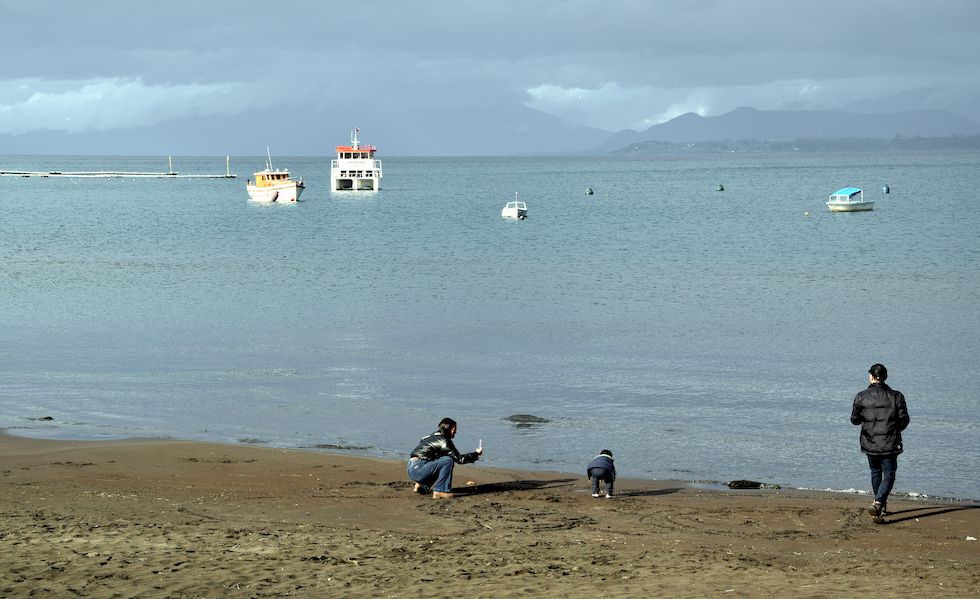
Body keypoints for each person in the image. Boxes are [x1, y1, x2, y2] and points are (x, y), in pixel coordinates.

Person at [850, 363, 910, 524]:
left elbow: (854, 420)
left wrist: (868, 421)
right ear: (885, 377)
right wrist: (895, 430)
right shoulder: (896, 396)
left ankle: (880, 506)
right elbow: (904, 420)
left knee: (876, 472)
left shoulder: (861, 396)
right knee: (889, 474)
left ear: (871, 376)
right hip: (889, 442)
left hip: (870, 441)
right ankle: (878, 503)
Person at [407, 417, 482, 499]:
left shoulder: (429, 436)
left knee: (440, 460)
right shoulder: (444, 441)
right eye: (454, 429)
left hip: (412, 467)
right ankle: (441, 490)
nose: (456, 431)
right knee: (448, 460)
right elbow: (460, 459)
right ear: (449, 429)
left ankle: (421, 485)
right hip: (419, 470)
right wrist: (476, 454)